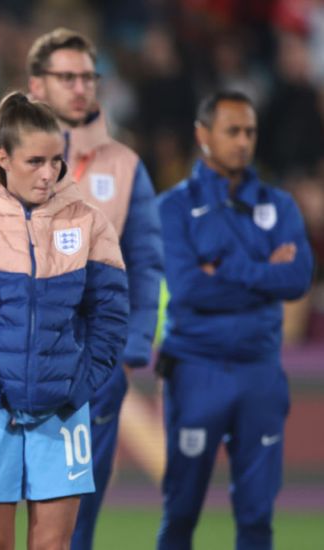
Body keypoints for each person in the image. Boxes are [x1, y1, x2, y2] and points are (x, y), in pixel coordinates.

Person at [0, 28, 162, 550]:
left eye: (88, 77)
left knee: (72, 523)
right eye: (66, 77)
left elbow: (143, 263)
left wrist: (125, 356)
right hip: (2, 376)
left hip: (87, 371)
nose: (80, 87)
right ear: (36, 84)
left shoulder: (125, 165)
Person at [0, 91, 129, 550]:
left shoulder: (91, 224)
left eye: (56, 161)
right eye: (35, 161)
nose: (48, 173)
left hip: (63, 415)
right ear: (3, 158)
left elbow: (110, 320)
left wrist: (75, 387)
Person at [156, 91, 313, 550]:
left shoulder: (279, 205)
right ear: (202, 135)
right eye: (232, 131)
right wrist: (265, 272)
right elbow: (189, 288)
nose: (243, 141)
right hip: (196, 369)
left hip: (259, 372)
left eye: (250, 132)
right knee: (180, 512)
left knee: (257, 515)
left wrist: (226, 268)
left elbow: (297, 279)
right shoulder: (172, 207)